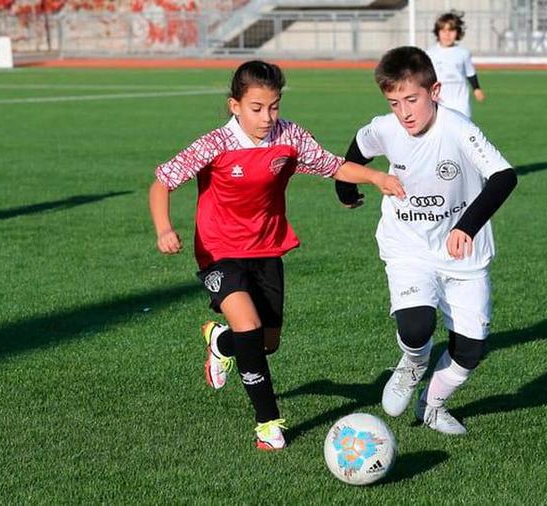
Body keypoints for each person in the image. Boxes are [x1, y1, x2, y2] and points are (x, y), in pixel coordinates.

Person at [149, 60, 404, 451]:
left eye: (274, 106)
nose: (267, 117)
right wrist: (165, 228)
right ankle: (268, 424)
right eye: (257, 108)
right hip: (219, 250)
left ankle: (221, 343)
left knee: (266, 343)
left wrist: (377, 177)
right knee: (249, 327)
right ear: (235, 105)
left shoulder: (289, 136)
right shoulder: (215, 144)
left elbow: (332, 165)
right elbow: (162, 182)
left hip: (267, 248)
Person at [334, 47, 517, 435]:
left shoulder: (459, 129)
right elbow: (355, 153)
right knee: (418, 327)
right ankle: (414, 362)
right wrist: (345, 190)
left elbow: (504, 177)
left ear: (435, 91)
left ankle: (432, 406)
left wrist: (466, 226)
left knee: (469, 351)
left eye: (412, 99)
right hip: (408, 246)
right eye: (394, 102)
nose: (404, 113)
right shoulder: (385, 128)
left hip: (463, 253)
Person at [425, 10, 484, 118]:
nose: (447, 34)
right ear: (437, 32)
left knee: (462, 130)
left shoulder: (463, 53)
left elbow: (470, 73)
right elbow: (425, 76)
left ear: (458, 32)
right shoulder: (430, 53)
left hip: (460, 101)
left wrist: (477, 89)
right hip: (440, 101)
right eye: (443, 30)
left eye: (451, 30)